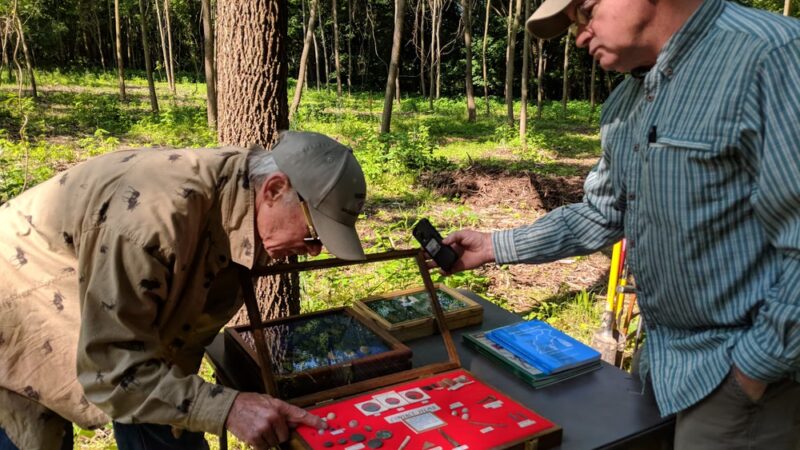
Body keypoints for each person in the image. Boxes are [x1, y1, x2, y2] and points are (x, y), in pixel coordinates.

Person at [440, 0, 800, 448]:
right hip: (663, 362)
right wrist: (494, 245)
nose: (580, 35)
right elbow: (602, 213)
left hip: (741, 378)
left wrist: (755, 368)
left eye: (586, 12)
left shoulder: (771, 55)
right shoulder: (627, 100)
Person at [0, 131, 369, 450]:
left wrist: (199, 407)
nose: (313, 250)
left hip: (95, 299)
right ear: (274, 189)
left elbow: (176, 336)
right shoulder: (151, 224)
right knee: (32, 434)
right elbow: (112, 372)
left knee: (166, 417)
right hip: (17, 296)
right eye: (312, 233)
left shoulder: (241, 196)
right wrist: (228, 408)